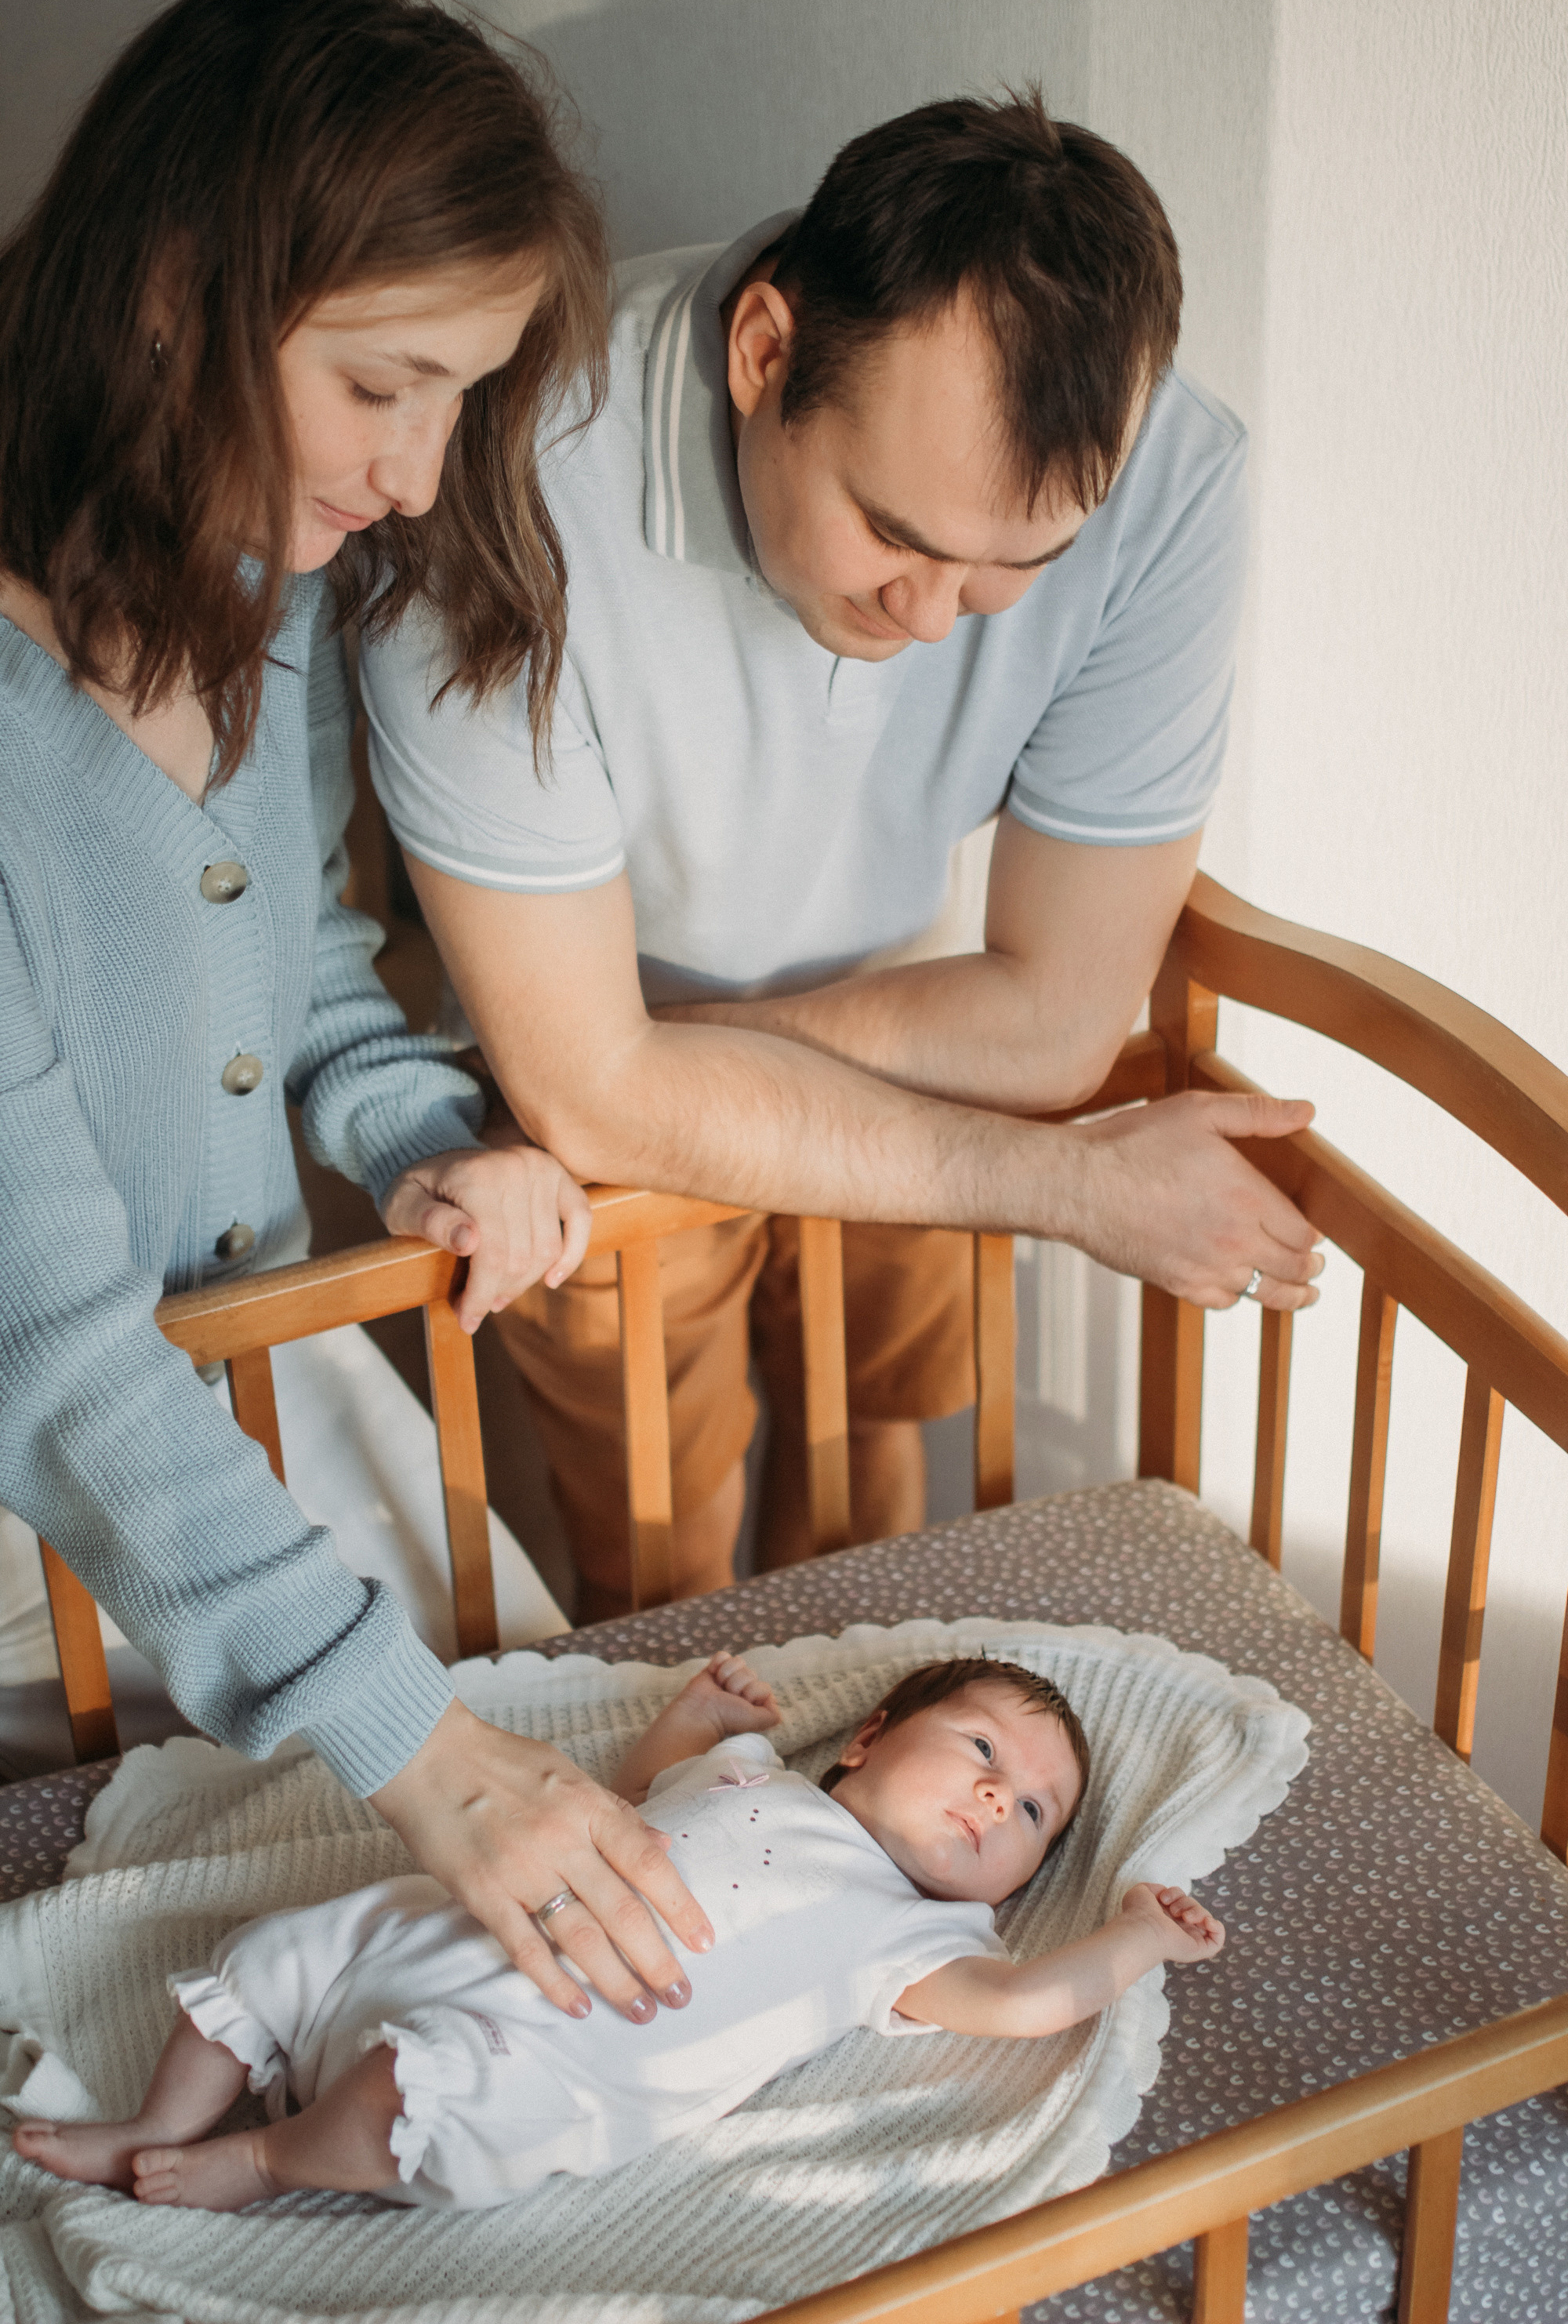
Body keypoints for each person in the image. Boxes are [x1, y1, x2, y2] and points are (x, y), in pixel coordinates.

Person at [361, 93, 1326, 1622]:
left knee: (881, 1513)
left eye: (1015, 569)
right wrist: (588, 1089)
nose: (934, 621)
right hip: (586, 1058)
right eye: (894, 533)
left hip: (885, 1018)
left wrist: (622, 1085)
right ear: (764, 355)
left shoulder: (1173, 483)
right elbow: (580, 1090)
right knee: (660, 1573)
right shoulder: (501, 474)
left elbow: (1059, 1019)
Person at [0, 0, 712, 2028]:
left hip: (223, 1385)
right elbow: (49, 1353)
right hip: (67, 1441)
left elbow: (304, 964)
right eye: (385, 384)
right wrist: (419, 1753)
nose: (417, 477)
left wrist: (424, 1137)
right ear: (174, 283)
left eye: (461, 400)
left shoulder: (259, 587)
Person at [13, 1651, 1225, 2210]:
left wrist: (1136, 1936)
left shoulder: (910, 1939)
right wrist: (694, 1717)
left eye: (1029, 1812)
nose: (991, 1798)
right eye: (980, 1750)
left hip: (539, 2050)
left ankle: (266, 2163)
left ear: (1004, 1892)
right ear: (864, 1737)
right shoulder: (755, 1773)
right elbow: (648, 1793)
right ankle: (154, 2119)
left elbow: (1024, 2008)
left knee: (419, 2095)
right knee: (277, 1951)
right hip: (448, 1930)